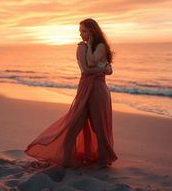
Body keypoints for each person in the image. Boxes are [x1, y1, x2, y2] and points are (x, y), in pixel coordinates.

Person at [24, 18, 118, 168]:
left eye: (84, 31)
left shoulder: (101, 46)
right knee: (74, 125)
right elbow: (87, 70)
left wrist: (105, 69)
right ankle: (67, 160)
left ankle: (102, 162)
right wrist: (103, 70)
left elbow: (110, 70)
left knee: (99, 128)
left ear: (92, 31)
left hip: (99, 90)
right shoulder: (81, 47)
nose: (80, 34)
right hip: (86, 88)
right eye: (80, 31)